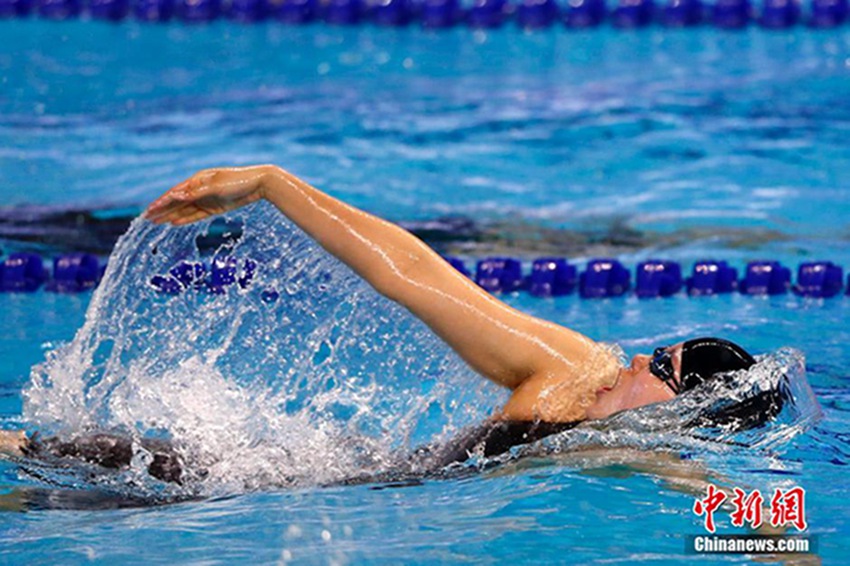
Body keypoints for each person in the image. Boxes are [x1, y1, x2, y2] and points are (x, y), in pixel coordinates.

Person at [0, 165, 781, 482]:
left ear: (686, 406)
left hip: (349, 487)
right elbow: (416, 277)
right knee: (58, 468)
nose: (641, 357)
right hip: (294, 484)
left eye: (662, 365)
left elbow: (736, 519)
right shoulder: (571, 373)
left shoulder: (652, 453)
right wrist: (275, 185)